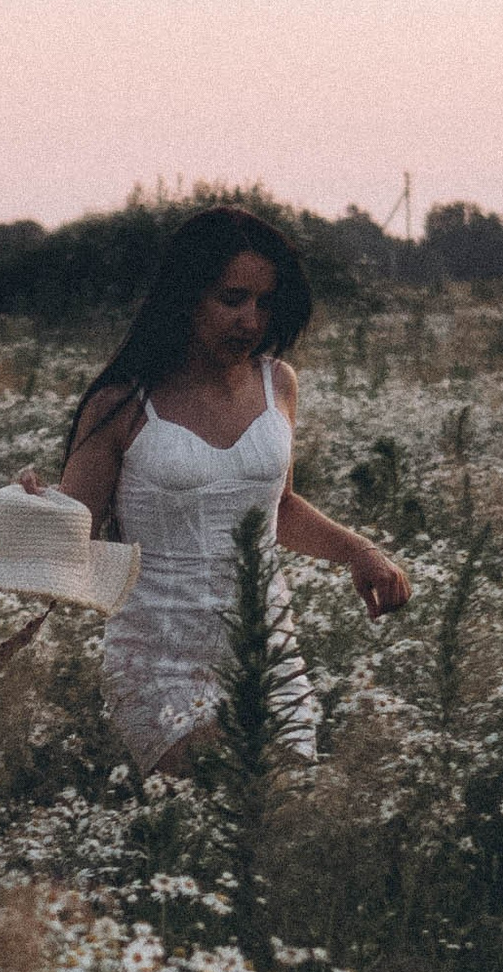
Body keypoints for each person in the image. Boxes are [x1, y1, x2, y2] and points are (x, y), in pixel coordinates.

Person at [23, 205, 409, 775]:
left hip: (264, 644)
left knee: (281, 820)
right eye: (232, 299)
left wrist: (361, 553)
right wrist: (30, 511)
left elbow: (275, 506)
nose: (251, 320)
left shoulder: (277, 382)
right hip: (159, 657)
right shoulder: (123, 403)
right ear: (186, 296)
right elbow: (74, 534)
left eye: (264, 303)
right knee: (207, 817)